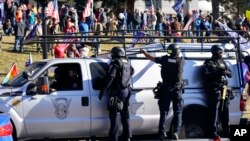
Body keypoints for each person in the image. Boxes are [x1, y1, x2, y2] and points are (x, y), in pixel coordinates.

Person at [140, 44, 185, 140]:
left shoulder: (164, 60)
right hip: (177, 90)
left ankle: (162, 132)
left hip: (166, 88)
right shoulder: (181, 61)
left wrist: (144, 52)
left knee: (164, 111)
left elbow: (152, 58)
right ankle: (176, 132)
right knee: (178, 112)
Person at [99, 47, 134, 141]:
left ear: (116, 54)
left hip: (117, 92)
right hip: (126, 91)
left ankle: (114, 138)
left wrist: (103, 90)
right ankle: (128, 136)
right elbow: (132, 72)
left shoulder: (115, 63)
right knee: (125, 115)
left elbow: (111, 77)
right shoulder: (127, 62)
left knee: (114, 116)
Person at [202, 45, 232, 140]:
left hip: (224, 90)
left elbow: (230, 74)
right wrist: (217, 73)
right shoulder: (208, 63)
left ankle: (226, 131)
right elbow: (205, 76)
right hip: (214, 90)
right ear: (217, 53)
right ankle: (213, 132)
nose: (222, 54)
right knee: (214, 112)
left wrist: (224, 71)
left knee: (225, 111)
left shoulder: (223, 62)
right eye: (221, 53)